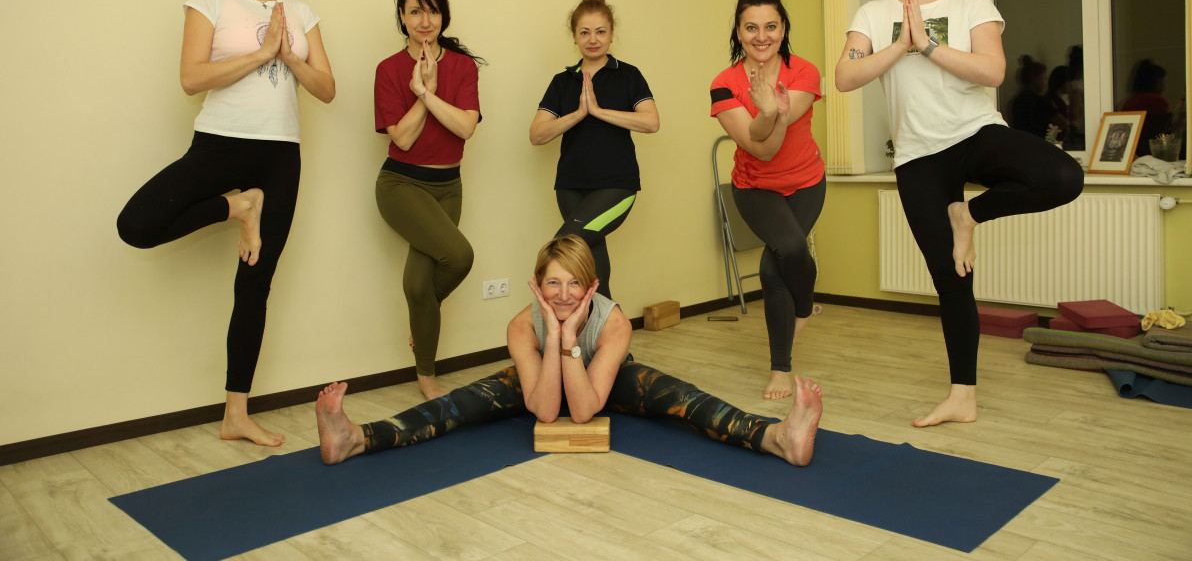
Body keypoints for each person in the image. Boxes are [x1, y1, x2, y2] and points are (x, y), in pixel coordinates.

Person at [834, 0, 1083, 428]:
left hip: (974, 134)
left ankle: (968, 215)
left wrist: (927, 45)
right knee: (952, 279)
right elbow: (845, 77)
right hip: (917, 156)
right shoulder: (874, 13)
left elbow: (992, 72)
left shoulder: (971, 4)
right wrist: (900, 43)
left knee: (1063, 176)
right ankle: (962, 397)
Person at [116, 0, 336, 446]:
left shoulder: (302, 13)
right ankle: (240, 206)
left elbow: (327, 89)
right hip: (219, 143)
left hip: (280, 152)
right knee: (137, 223)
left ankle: (236, 414)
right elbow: (191, 78)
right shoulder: (210, 0)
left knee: (254, 284)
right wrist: (261, 53)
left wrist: (289, 54)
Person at [315, 235, 823, 468]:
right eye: (552, 283)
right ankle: (354, 439)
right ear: (537, 285)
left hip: (604, 380)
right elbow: (544, 408)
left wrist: (570, 340)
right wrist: (555, 342)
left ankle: (778, 437)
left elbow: (582, 411)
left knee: (684, 399)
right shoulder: (522, 325)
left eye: (574, 284)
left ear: (592, 286)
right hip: (541, 378)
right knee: (458, 405)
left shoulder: (614, 323)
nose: (562, 295)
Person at [709, 0, 825, 401]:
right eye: (752, 27)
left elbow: (778, 130)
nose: (762, 36)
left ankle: (784, 355)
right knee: (787, 251)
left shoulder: (805, 73)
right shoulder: (723, 84)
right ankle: (791, 342)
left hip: (806, 182)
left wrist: (771, 110)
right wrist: (769, 109)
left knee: (776, 265)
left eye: (771, 26)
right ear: (739, 32)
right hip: (754, 188)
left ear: (783, 28)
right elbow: (759, 146)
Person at [374, 0, 484, 400]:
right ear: (402, 18)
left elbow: (466, 128)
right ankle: (427, 375)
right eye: (415, 11)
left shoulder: (463, 67)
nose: (425, 20)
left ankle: (422, 355)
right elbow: (401, 139)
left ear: (444, 16)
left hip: (448, 186)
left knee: (420, 287)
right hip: (400, 185)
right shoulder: (388, 70)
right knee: (460, 255)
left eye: (432, 11)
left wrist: (429, 93)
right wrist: (421, 93)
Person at [529, 0, 659, 298]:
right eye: (584, 32)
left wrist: (599, 111)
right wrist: (578, 114)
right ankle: (609, 329)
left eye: (600, 31)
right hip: (570, 187)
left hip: (616, 186)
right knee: (593, 270)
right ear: (574, 36)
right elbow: (537, 135)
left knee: (562, 249)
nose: (593, 39)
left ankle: (542, 321)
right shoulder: (563, 82)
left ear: (612, 34)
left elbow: (651, 122)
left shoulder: (628, 75)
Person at [1006, 55, 1067, 139]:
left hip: (1021, 142)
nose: (1045, 83)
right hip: (1038, 142)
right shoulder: (1039, 101)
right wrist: (1050, 139)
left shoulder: (1016, 100)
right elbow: (1062, 123)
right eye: (1044, 78)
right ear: (1035, 79)